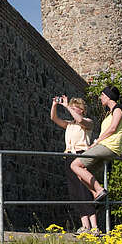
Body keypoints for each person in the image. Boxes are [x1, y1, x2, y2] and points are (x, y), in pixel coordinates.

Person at [70, 86, 122, 203]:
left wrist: (96, 142)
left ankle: (100, 190)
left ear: (108, 97)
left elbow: (113, 129)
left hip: (107, 147)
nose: (100, 98)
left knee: (74, 165)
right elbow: (115, 133)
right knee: (81, 172)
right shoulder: (108, 113)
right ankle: (96, 194)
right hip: (107, 147)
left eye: (102, 95)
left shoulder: (118, 109)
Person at [50, 95, 98, 234]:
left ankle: (94, 227)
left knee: (84, 190)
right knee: (75, 192)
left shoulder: (87, 122)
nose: (73, 109)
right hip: (69, 156)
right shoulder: (69, 124)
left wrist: (67, 107)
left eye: (75, 107)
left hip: (81, 157)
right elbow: (54, 118)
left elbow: (80, 120)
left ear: (82, 109)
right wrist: (55, 105)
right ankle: (85, 226)